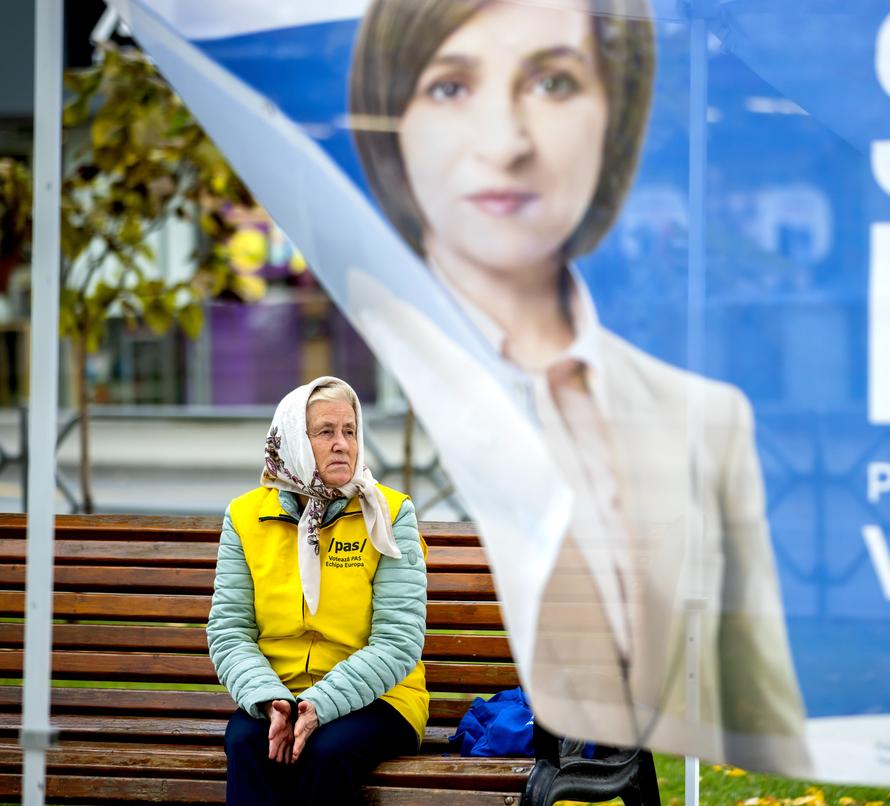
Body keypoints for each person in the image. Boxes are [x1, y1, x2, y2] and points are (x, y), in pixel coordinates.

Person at [349, 0, 809, 772]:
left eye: (554, 83)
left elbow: (767, 725)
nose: (505, 142)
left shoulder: (704, 417)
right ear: (393, 128)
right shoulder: (375, 376)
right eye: (451, 87)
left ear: (613, 122)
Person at [207, 376, 428, 804]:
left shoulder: (391, 513)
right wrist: (269, 700)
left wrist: (320, 704)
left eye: (350, 431)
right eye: (325, 432)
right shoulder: (245, 516)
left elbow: (398, 641)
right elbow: (229, 630)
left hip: (380, 698)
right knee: (246, 744)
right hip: (277, 691)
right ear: (292, 439)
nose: (342, 443)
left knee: (326, 751)